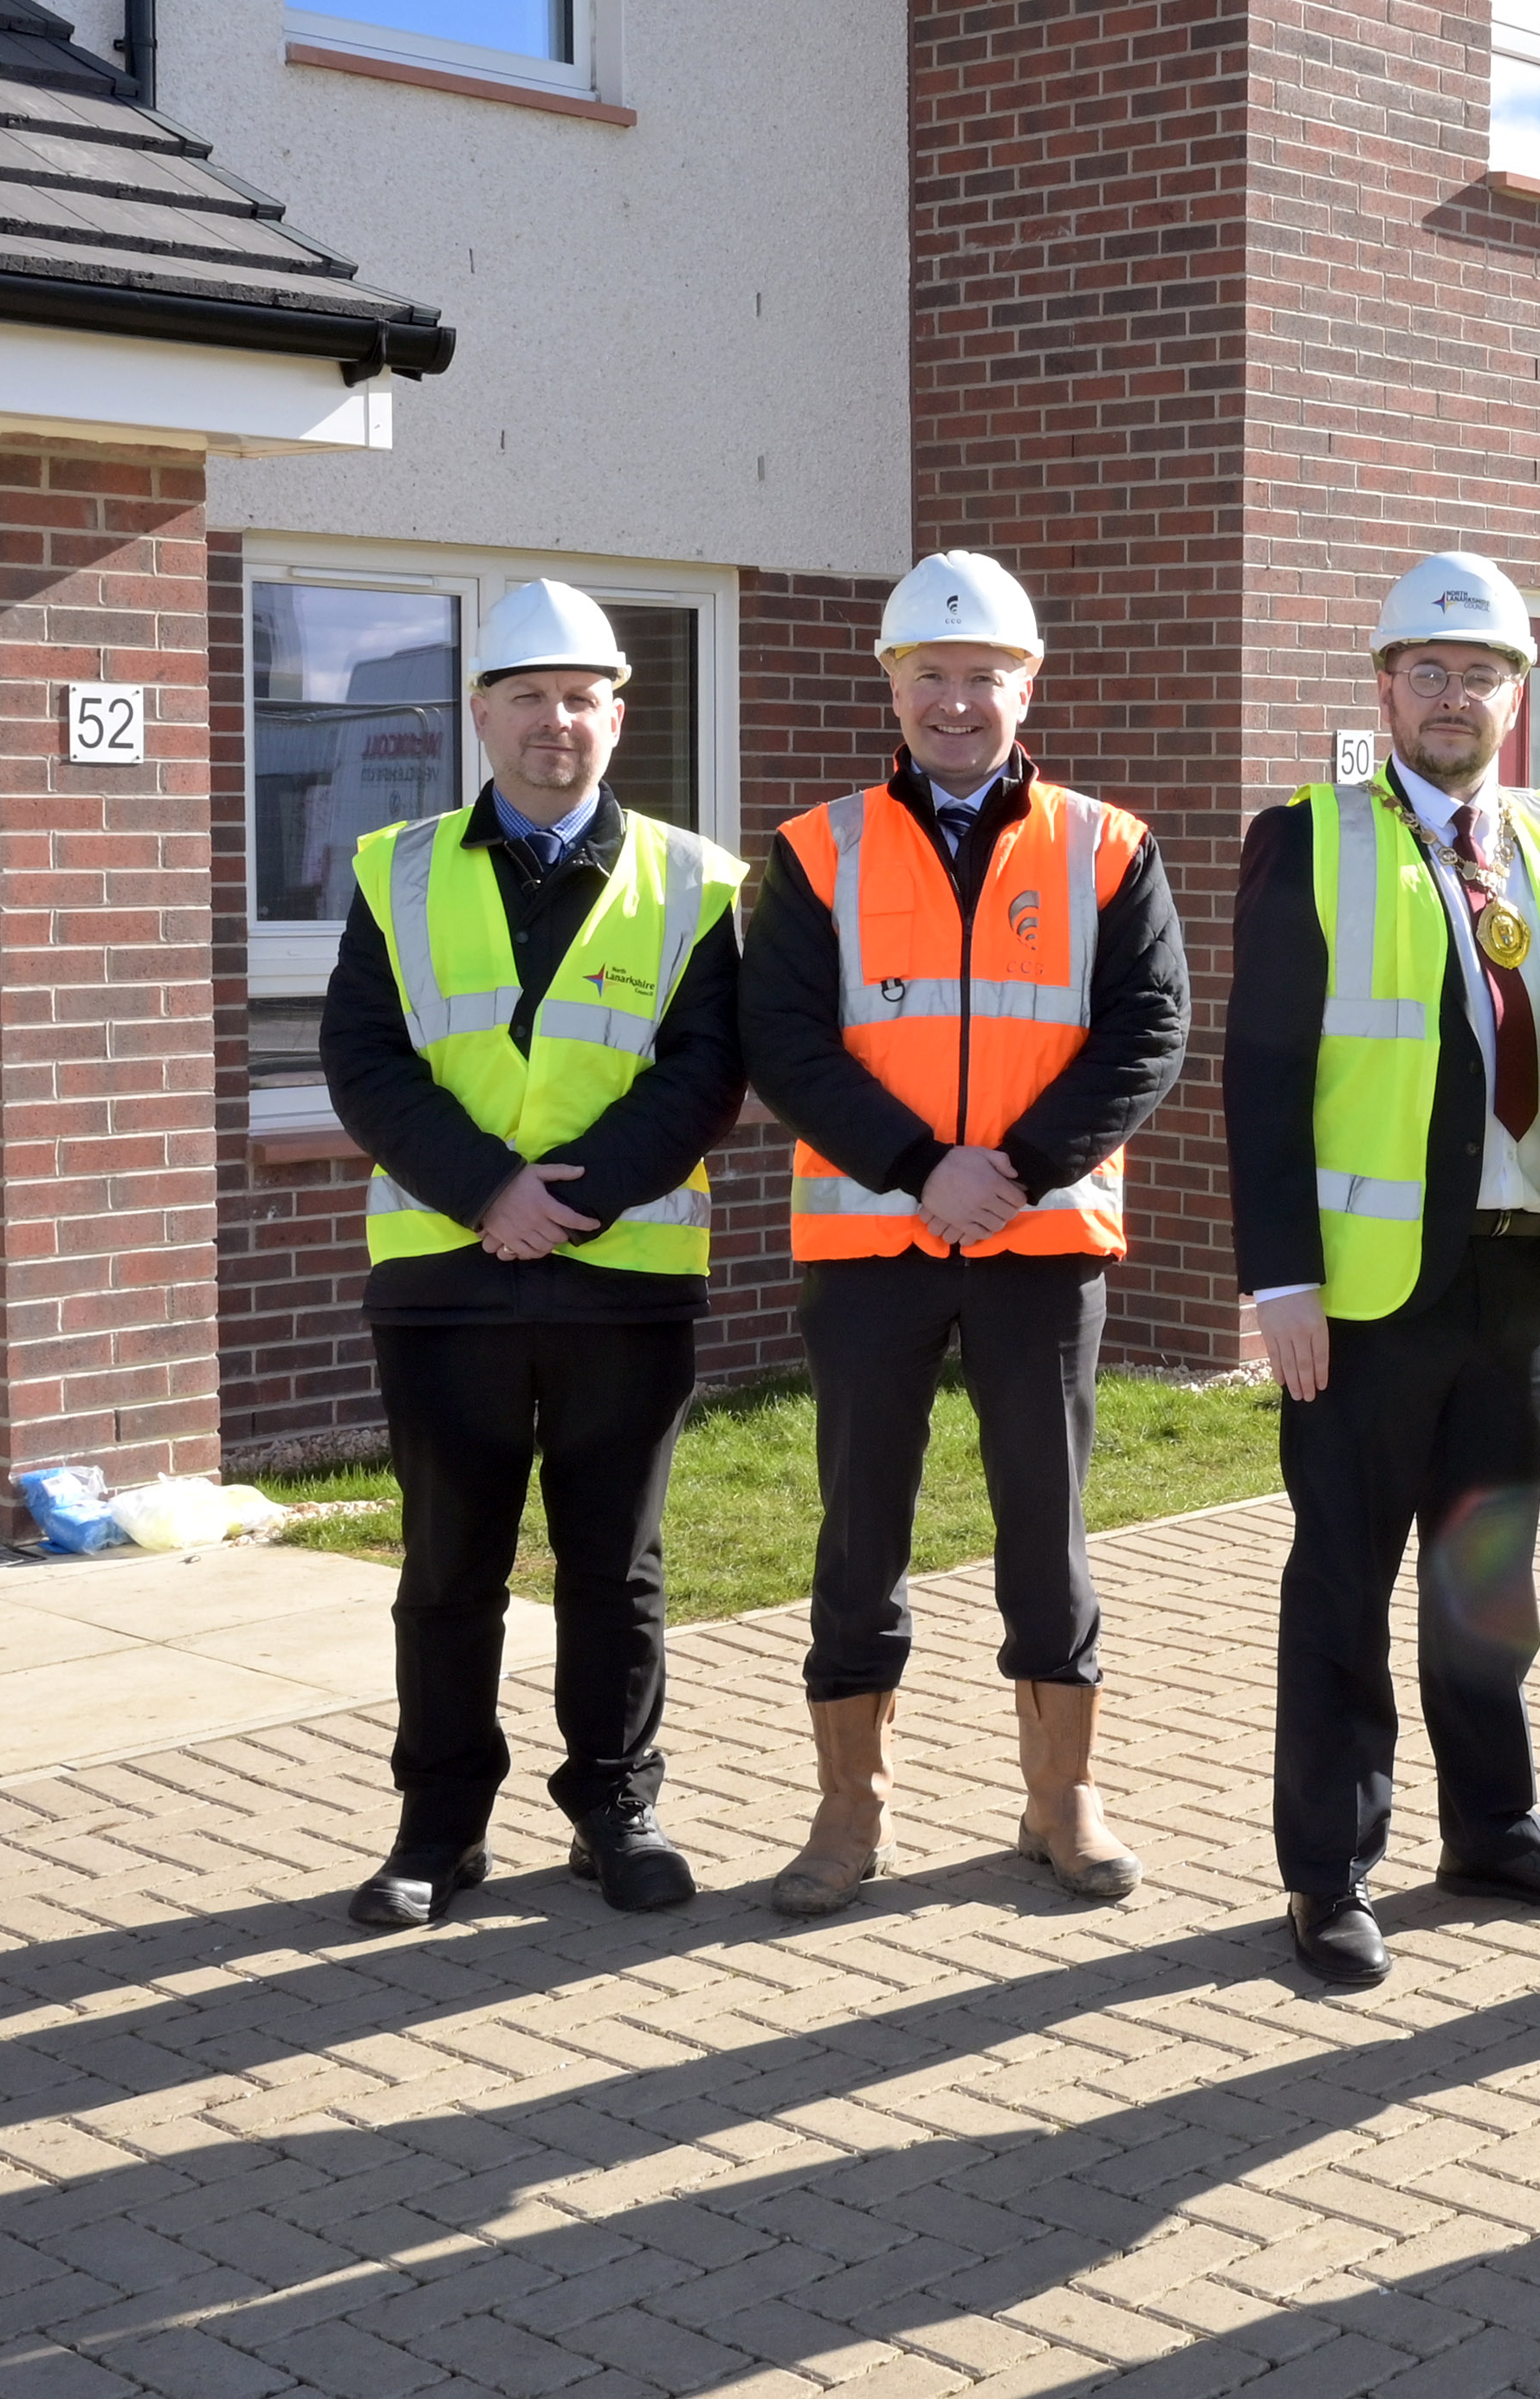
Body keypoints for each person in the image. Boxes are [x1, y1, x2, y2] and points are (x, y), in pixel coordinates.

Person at [740, 550, 1191, 1916]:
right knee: (857, 1525)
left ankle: (1063, 1799)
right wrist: (922, 1168)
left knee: (1045, 1528)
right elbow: (783, 1039)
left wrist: (1018, 1170)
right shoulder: (817, 848)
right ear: (891, 682)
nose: (955, 700)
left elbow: (1148, 1031)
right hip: (874, 1239)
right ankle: (848, 1809)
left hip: (1041, 1241)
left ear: (1026, 683)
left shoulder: (1107, 843)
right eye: (929, 674)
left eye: (981, 675)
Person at [1227, 552, 1540, 1988]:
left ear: (1517, 697)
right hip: (1364, 1290)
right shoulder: (1311, 836)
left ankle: (1494, 1823)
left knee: (1486, 1576)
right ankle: (1329, 1869)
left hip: (1530, 1279)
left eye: (1482, 675)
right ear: (1384, 687)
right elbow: (1263, 1076)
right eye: (1430, 671)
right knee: (1341, 1580)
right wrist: (1278, 1279)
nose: (1456, 696)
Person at [320, 580, 750, 1929]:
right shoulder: (394, 868)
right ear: (479, 713)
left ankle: (616, 1805)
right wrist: (486, 1191)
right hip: (449, 1277)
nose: (553, 721)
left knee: (613, 1565)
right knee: (450, 1564)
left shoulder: (698, 878)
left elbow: (707, 1074)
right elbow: (363, 1061)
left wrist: (570, 1201)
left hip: (622, 1277)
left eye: (579, 697)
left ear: (618, 717)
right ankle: (437, 1829)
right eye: (526, 696)